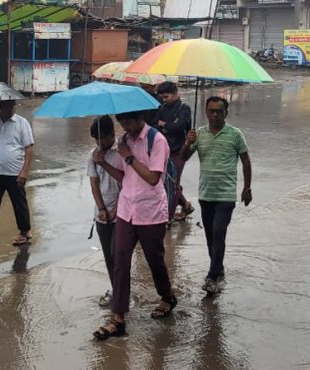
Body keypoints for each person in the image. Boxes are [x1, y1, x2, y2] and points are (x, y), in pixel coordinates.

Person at [92, 110, 177, 340]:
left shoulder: (156, 140)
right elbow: (125, 176)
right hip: (126, 211)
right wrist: (105, 164)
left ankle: (167, 296)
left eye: (127, 120)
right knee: (120, 262)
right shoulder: (123, 140)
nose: (124, 125)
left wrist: (129, 157)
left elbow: (152, 178)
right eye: (121, 121)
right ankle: (117, 318)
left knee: (154, 260)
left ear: (140, 117)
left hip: (151, 213)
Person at [181, 96, 252, 294]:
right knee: (210, 236)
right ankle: (218, 268)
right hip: (206, 193)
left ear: (225, 113)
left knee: (219, 232)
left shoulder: (235, 134)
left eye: (219, 111)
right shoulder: (199, 134)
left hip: (226, 195)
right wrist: (187, 142)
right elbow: (183, 158)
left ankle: (212, 277)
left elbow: (245, 160)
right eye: (211, 111)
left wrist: (247, 188)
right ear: (206, 112)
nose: (214, 115)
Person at [0, 100, 34, 250]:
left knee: (19, 203)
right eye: (7, 105)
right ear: (0, 106)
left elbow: (29, 148)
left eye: (12, 105)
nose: (10, 108)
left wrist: (24, 171)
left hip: (14, 172)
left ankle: (25, 231)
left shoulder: (22, 123)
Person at [87, 116, 120, 307]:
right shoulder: (93, 154)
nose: (99, 143)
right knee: (108, 255)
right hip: (101, 214)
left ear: (112, 135)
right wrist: (101, 208)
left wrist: (115, 210)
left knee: (118, 254)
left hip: (121, 213)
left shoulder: (120, 153)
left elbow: (126, 184)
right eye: (96, 140)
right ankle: (115, 288)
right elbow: (94, 183)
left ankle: (122, 290)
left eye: (102, 139)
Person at [155, 82, 194, 221]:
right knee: (163, 183)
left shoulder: (184, 109)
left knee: (172, 184)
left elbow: (180, 126)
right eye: (162, 97)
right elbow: (156, 126)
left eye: (166, 96)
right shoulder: (161, 108)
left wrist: (165, 125)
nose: (164, 100)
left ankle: (168, 218)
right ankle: (186, 206)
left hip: (179, 151)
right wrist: (169, 126)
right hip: (162, 151)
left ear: (176, 93)